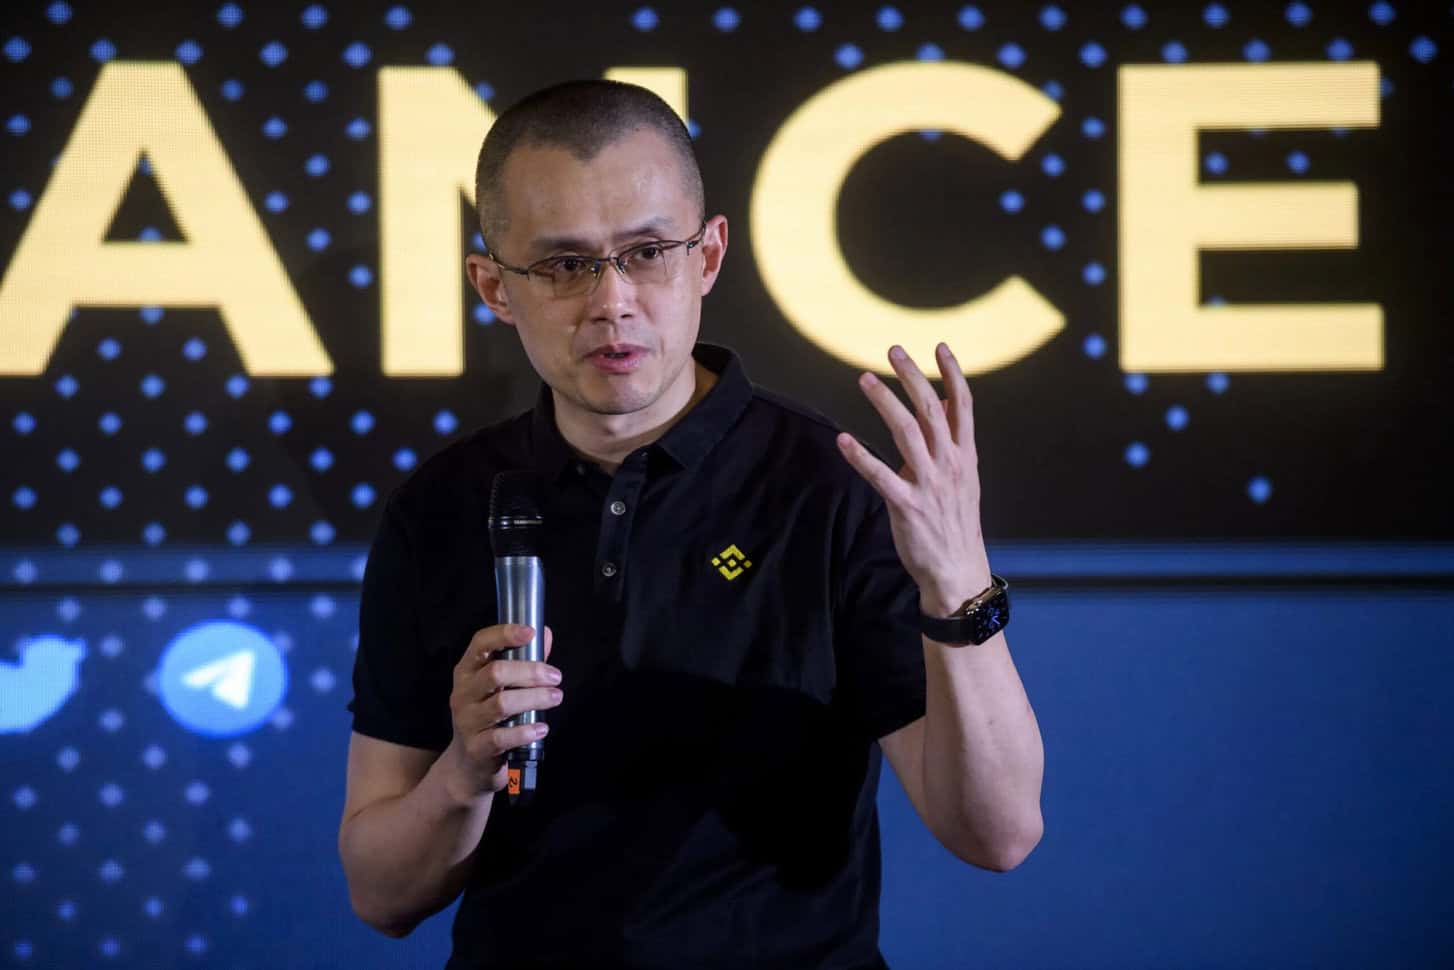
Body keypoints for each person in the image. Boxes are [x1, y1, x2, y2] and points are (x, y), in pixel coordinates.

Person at [339, 79, 1044, 969]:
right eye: (564, 265)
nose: (611, 301)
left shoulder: (829, 489)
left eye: (647, 253)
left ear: (707, 257)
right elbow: (380, 896)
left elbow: (999, 834)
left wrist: (959, 583)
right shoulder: (439, 507)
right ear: (494, 286)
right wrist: (463, 775)